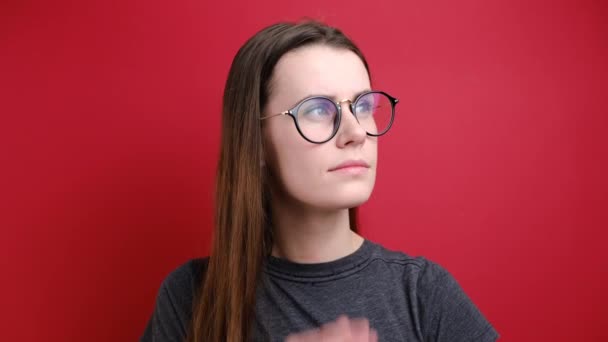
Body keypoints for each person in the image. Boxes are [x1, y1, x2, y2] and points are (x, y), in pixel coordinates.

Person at [141, 21, 499, 342]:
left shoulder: (423, 291)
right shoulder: (192, 295)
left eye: (363, 106)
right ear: (255, 140)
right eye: (317, 109)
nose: (355, 133)